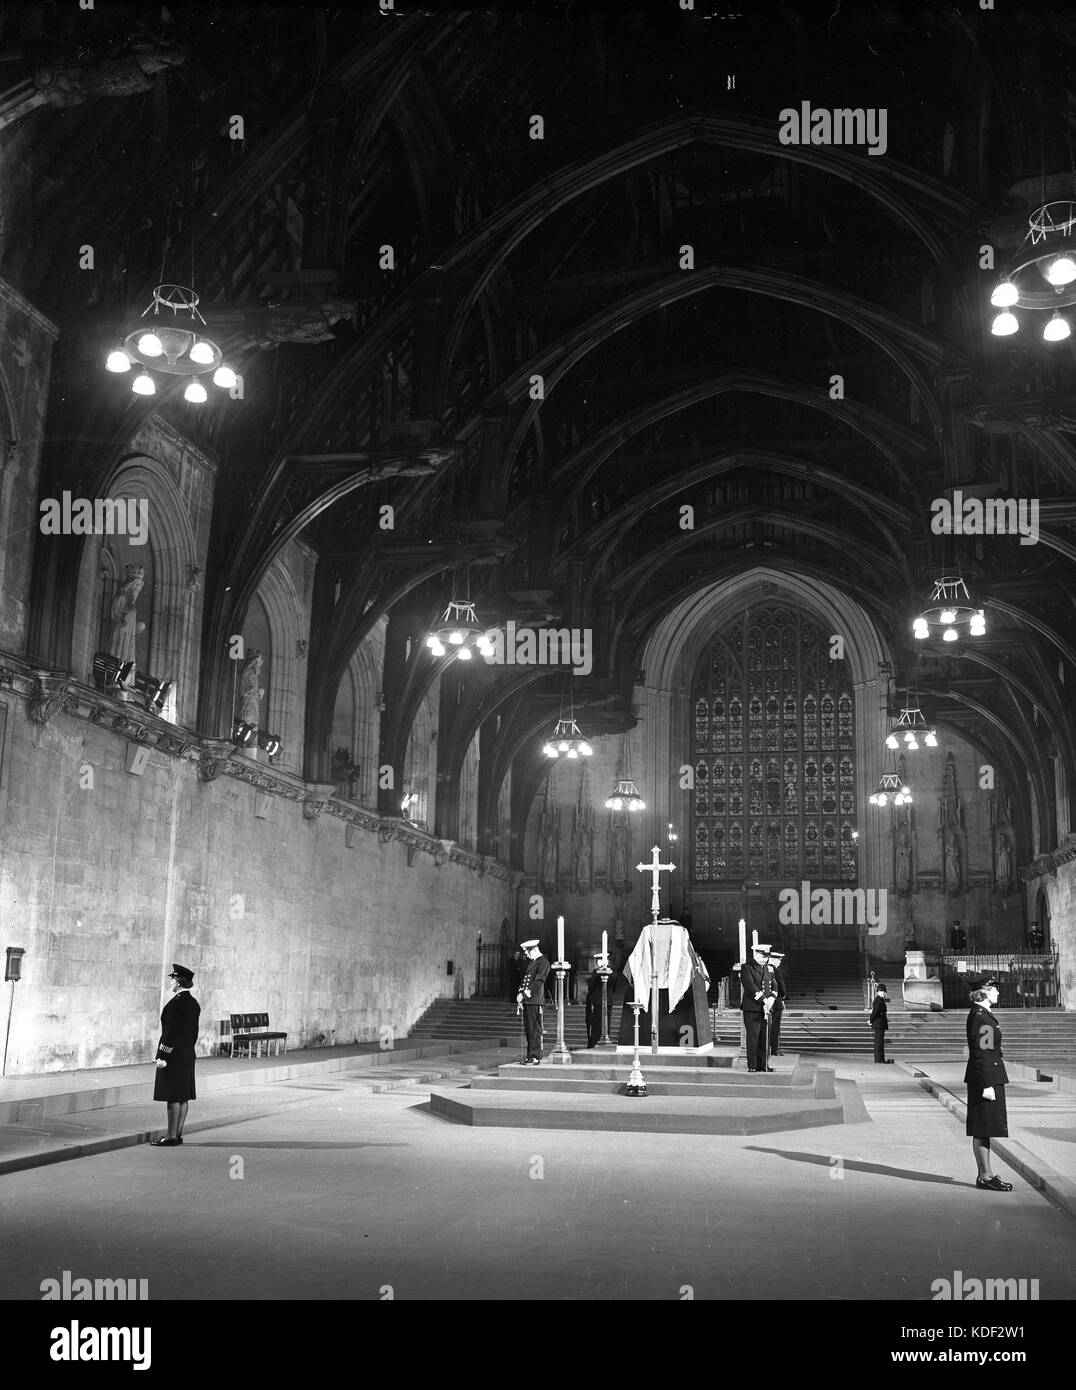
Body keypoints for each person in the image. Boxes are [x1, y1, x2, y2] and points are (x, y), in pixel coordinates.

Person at [964, 977, 1013, 1191]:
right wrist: (987, 1084)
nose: (998, 993)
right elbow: (981, 1053)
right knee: (982, 1128)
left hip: (990, 1076)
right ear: (983, 992)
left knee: (986, 1127)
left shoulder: (983, 1015)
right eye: (994, 989)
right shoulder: (980, 1017)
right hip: (986, 1079)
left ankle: (987, 1174)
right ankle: (985, 1176)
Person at [151, 963, 200, 1146]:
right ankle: (178, 1134)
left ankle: (170, 1136)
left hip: (172, 1057)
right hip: (187, 1055)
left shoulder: (175, 1004)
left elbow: (169, 1033)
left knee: (173, 1096)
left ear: (178, 982)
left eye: (172, 979)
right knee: (183, 1096)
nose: (170, 982)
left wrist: (162, 1056)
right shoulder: (193, 1003)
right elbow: (193, 1033)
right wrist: (186, 1049)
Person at [740, 943, 775, 1072]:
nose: (764, 959)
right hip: (752, 1008)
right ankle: (753, 1065)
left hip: (766, 1008)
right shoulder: (747, 967)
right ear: (755, 954)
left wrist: (771, 998)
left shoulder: (768, 968)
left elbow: (774, 985)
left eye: (766, 957)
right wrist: (764, 1000)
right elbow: (750, 986)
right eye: (762, 956)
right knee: (753, 1037)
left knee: (764, 1037)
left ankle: (763, 1064)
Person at [516, 939, 550, 1065]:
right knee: (529, 1030)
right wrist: (520, 994)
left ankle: (535, 1056)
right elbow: (525, 981)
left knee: (535, 1030)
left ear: (535, 950)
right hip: (528, 1001)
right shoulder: (533, 962)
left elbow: (538, 982)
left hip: (535, 1000)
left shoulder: (543, 962)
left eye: (528, 952)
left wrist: (524, 995)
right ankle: (530, 1056)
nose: (527, 955)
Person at [767, 950, 787, 1055]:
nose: (780, 962)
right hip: (776, 1002)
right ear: (774, 960)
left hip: (766, 1002)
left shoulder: (764, 969)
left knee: (766, 1026)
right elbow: (781, 988)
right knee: (775, 1027)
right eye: (779, 960)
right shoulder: (777, 971)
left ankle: (766, 1048)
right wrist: (783, 997)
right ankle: (774, 1050)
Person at [868, 982, 893, 1063]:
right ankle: (879, 1059)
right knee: (879, 1042)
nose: (885, 994)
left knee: (879, 1042)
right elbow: (875, 1012)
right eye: (884, 992)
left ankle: (880, 1059)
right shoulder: (878, 1000)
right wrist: (870, 1020)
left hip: (879, 1023)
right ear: (880, 992)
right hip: (879, 1024)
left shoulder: (879, 1000)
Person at [584, 970, 604, 1047]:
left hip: (596, 1000)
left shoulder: (596, 972)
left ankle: (592, 1042)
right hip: (605, 1000)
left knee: (593, 1024)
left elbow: (591, 987)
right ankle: (594, 1041)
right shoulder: (613, 972)